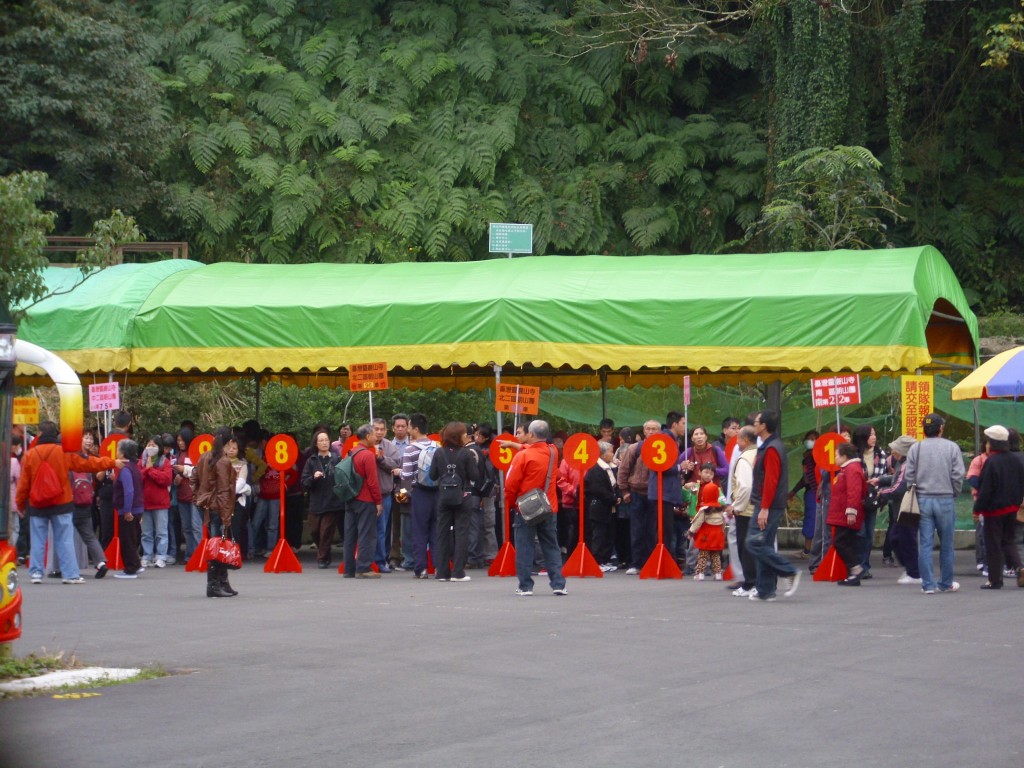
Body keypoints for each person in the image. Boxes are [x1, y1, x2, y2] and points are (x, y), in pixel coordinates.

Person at [15, 420, 120, 585]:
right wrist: (112, 462)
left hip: (37, 504)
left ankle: (36, 573)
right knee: (65, 539)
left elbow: (23, 484)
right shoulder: (64, 452)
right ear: (55, 434)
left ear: (40, 434)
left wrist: (20, 504)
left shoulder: (30, 455)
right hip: (62, 503)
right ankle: (70, 574)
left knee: (38, 540)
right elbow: (88, 463)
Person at [904, 413, 965, 594]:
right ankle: (945, 582)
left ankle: (928, 585)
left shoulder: (916, 448)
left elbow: (909, 475)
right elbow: (958, 474)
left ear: (924, 429)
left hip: (922, 499)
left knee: (925, 543)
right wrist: (954, 492)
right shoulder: (952, 447)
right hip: (945, 498)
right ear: (941, 428)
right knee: (947, 544)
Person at [505, 420, 567, 596]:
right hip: (549, 506)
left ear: (531, 434)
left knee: (524, 546)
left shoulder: (523, 456)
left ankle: (525, 586)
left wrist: (511, 503)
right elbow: (536, 449)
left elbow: (511, 485)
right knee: (551, 546)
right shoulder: (553, 452)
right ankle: (558, 584)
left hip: (526, 508)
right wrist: (516, 445)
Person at [745, 410, 800, 601]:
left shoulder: (771, 449)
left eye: (756, 422)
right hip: (768, 503)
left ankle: (788, 570)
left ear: (764, 426)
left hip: (768, 504)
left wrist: (764, 508)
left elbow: (771, 480)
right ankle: (765, 590)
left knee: (753, 542)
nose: (754, 424)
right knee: (764, 544)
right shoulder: (770, 446)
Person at [972, 425, 1024, 589]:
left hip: (994, 510)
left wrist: (978, 508)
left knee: (993, 544)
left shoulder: (992, 462)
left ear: (992, 443)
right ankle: (1020, 567)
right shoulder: (1016, 459)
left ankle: (994, 580)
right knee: (1008, 541)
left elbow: (986, 488)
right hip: (1012, 508)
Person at [428, 421, 479, 581]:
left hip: (443, 498)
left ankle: (442, 572)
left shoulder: (439, 453)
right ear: (458, 436)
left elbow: (432, 475)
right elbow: (474, 476)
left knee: (442, 533)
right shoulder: (466, 454)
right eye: (464, 434)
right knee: (461, 533)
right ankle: (458, 572)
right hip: (463, 497)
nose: (466, 436)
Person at [192, 427, 239, 596]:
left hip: (206, 505)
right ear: (229, 442)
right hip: (218, 507)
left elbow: (194, 478)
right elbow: (224, 491)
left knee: (217, 544)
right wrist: (226, 516)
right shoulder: (223, 461)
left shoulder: (204, 456)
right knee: (219, 546)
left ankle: (222, 582)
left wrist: (198, 498)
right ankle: (213, 585)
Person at [876, 435, 921, 585]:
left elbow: (899, 487)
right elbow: (897, 479)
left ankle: (914, 572)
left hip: (907, 509)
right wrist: (881, 480)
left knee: (906, 540)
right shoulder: (903, 464)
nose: (892, 452)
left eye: (895, 449)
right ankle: (910, 569)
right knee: (897, 538)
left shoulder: (907, 465)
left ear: (903, 451)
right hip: (902, 509)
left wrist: (882, 492)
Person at [617, 419, 659, 574]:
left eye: (654, 429)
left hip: (655, 494)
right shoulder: (635, 448)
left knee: (652, 530)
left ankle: (651, 562)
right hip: (636, 493)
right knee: (637, 529)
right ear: (644, 431)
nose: (651, 432)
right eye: (648, 429)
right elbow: (623, 470)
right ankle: (636, 563)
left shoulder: (664, 447)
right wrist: (624, 491)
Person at [343, 424, 384, 579]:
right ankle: (363, 568)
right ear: (367, 436)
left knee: (350, 535)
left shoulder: (350, 452)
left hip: (350, 498)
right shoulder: (367, 455)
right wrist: (378, 501)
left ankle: (348, 569)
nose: (376, 437)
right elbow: (373, 482)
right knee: (367, 534)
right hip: (366, 500)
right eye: (373, 434)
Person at [401, 413, 438, 579]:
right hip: (437, 493)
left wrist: (398, 471)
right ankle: (438, 567)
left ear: (416, 429)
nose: (408, 430)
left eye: (409, 426)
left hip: (420, 493)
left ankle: (421, 569)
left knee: (419, 531)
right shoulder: (437, 446)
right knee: (436, 531)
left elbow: (406, 476)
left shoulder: (410, 449)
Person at [827, 442, 869, 586]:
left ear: (844, 457)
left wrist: (851, 511)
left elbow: (854, 491)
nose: (834, 458)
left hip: (846, 514)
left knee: (840, 542)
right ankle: (853, 574)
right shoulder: (849, 469)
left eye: (836, 455)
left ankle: (856, 568)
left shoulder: (851, 469)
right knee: (847, 542)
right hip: (843, 513)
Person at [301, 427, 343, 569]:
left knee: (326, 531)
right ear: (316, 443)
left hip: (333, 501)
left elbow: (343, 478)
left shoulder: (337, 459)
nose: (324, 443)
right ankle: (325, 552)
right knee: (315, 531)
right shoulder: (311, 461)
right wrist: (314, 478)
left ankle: (322, 558)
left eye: (326, 440)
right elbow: (304, 482)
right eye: (321, 440)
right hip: (316, 502)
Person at [724, 425, 758, 596]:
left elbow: (745, 487)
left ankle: (749, 583)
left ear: (744, 440)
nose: (736, 442)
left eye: (738, 438)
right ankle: (759, 582)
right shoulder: (760, 453)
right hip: (759, 507)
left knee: (745, 548)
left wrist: (736, 507)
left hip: (745, 510)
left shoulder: (744, 458)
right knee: (757, 547)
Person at [69, 431, 108, 578]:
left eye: (90, 438)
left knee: (65, 536)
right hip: (86, 501)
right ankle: (101, 562)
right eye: (86, 438)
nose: (89, 440)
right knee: (89, 535)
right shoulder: (89, 459)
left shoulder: (71, 459)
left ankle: (67, 567)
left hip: (71, 503)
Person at [851, 424, 887, 579]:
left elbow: (884, 475)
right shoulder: (853, 454)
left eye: (874, 434)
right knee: (859, 533)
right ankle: (856, 565)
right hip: (856, 498)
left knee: (869, 535)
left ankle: (864, 566)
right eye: (870, 434)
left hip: (872, 498)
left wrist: (880, 490)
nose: (874, 437)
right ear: (862, 437)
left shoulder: (881, 454)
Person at [111, 439, 146, 580]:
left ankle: (130, 569)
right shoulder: (134, 467)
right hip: (138, 508)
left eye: (118, 449)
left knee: (127, 540)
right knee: (132, 538)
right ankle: (136, 564)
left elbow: (129, 491)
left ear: (123, 452)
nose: (116, 452)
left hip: (129, 510)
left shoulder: (125, 469)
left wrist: (127, 510)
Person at [370, 418, 402, 573]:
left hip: (384, 493)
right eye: (376, 429)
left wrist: (381, 458)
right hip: (366, 494)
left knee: (382, 529)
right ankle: (365, 559)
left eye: (382, 429)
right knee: (365, 528)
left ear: (386, 431)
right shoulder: (364, 444)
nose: (379, 432)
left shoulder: (390, 446)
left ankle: (381, 560)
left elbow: (395, 464)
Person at [467, 423, 499, 568]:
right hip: (474, 488)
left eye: (480, 435)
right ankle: (478, 553)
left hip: (488, 488)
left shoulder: (492, 448)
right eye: (476, 433)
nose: (477, 436)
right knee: (474, 523)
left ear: (486, 437)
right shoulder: (471, 448)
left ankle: (491, 554)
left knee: (488, 522)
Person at [584, 440, 619, 572]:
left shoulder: (611, 467)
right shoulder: (595, 469)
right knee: (599, 534)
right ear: (602, 454)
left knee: (608, 534)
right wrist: (613, 499)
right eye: (610, 452)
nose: (612, 454)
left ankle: (605, 560)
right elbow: (598, 489)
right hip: (599, 506)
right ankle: (597, 561)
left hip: (610, 507)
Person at [687, 463, 726, 581]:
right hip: (717, 533)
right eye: (706, 472)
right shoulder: (719, 510)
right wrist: (722, 531)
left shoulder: (704, 510)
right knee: (715, 554)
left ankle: (700, 572)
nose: (709, 475)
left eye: (711, 473)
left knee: (702, 553)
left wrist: (691, 531)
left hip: (705, 533)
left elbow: (697, 522)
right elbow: (723, 521)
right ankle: (718, 573)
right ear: (700, 472)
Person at [140, 436, 174, 568]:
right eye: (149, 445)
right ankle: (147, 556)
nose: (150, 448)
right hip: (145, 503)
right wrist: (146, 469)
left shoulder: (165, 462)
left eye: (154, 445)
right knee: (146, 533)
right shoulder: (141, 462)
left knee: (161, 532)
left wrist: (150, 470)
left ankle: (161, 556)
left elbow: (166, 479)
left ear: (159, 448)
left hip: (160, 503)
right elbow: (138, 478)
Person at [789, 430, 819, 558]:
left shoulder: (816, 456)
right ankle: (807, 549)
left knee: (811, 520)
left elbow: (812, 477)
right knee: (810, 519)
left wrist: (818, 490)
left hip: (815, 493)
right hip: (811, 492)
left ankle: (808, 551)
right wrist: (794, 491)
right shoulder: (807, 457)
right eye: (809, 439)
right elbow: (805, 478)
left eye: (813, 439)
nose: (810, 441)